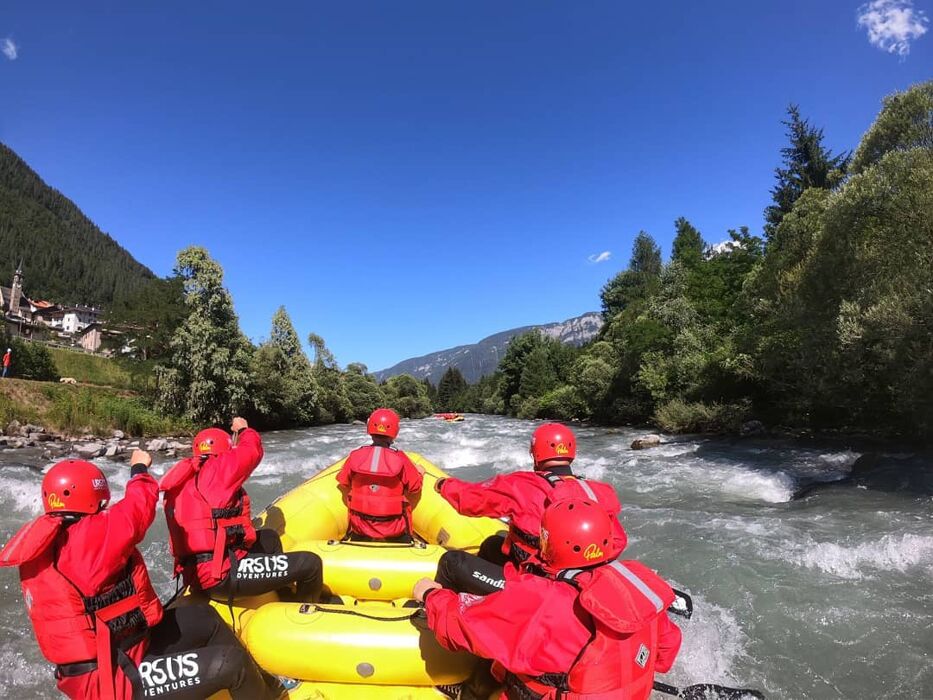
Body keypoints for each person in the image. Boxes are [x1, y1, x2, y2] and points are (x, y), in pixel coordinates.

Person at [0, 453, 280, 699]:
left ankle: (268, 686)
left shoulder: (50, 540)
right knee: (229, 664)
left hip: (121, 651)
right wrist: (139, 470)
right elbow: (139, 507)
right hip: (116, 681)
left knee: (204, 617)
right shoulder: (90, 537)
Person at [414, 498, 682, 700]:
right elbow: (664, 656)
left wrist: (430, 595)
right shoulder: (636, 586)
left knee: (495, 666)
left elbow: (459, 626)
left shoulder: (541, 599)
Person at [434, 422, 626, 594]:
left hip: (541, 586)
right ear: (571, 453)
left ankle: (444, 615)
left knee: (451, 563)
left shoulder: (521, 484)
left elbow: (471, 500)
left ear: (535, 453)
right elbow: (617, 541)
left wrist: (443, 485)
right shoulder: (597, 491)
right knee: (493, 544)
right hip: (585, 581)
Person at [161, 416, 323, 603]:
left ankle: (280, 592)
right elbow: (252, 451)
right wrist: (244, 430)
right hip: (221, 575)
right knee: (311, 564)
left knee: (269, 537)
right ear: (224, 450)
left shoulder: (184, 478)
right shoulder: (218, 469)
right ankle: (304, 615)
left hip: (196, 572)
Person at [336, 407, 424, 542]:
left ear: (369, 428)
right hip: (394, 529)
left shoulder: (355, 455)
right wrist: (420, 473)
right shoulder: (401, 458)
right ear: (395, 432)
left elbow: (343, 481)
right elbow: (415, 488)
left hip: (360, 527)